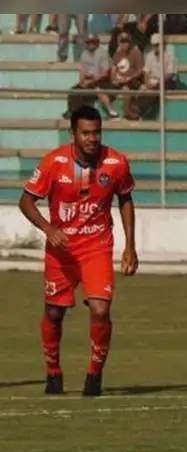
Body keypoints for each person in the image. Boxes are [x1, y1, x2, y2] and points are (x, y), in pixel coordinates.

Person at [18, 106, 138, 396]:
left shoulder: (116, 162)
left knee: (100, 309)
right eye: (85, 133)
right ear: (73, 134)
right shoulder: (53, 162)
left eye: (96, 132)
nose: (92, 138)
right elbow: (26, 202)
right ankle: (53, 372)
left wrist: (130, 246)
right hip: (61, 251)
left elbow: (125, 199)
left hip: (96, 246)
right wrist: (49, 230)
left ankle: (94, 377)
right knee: (54, 312)